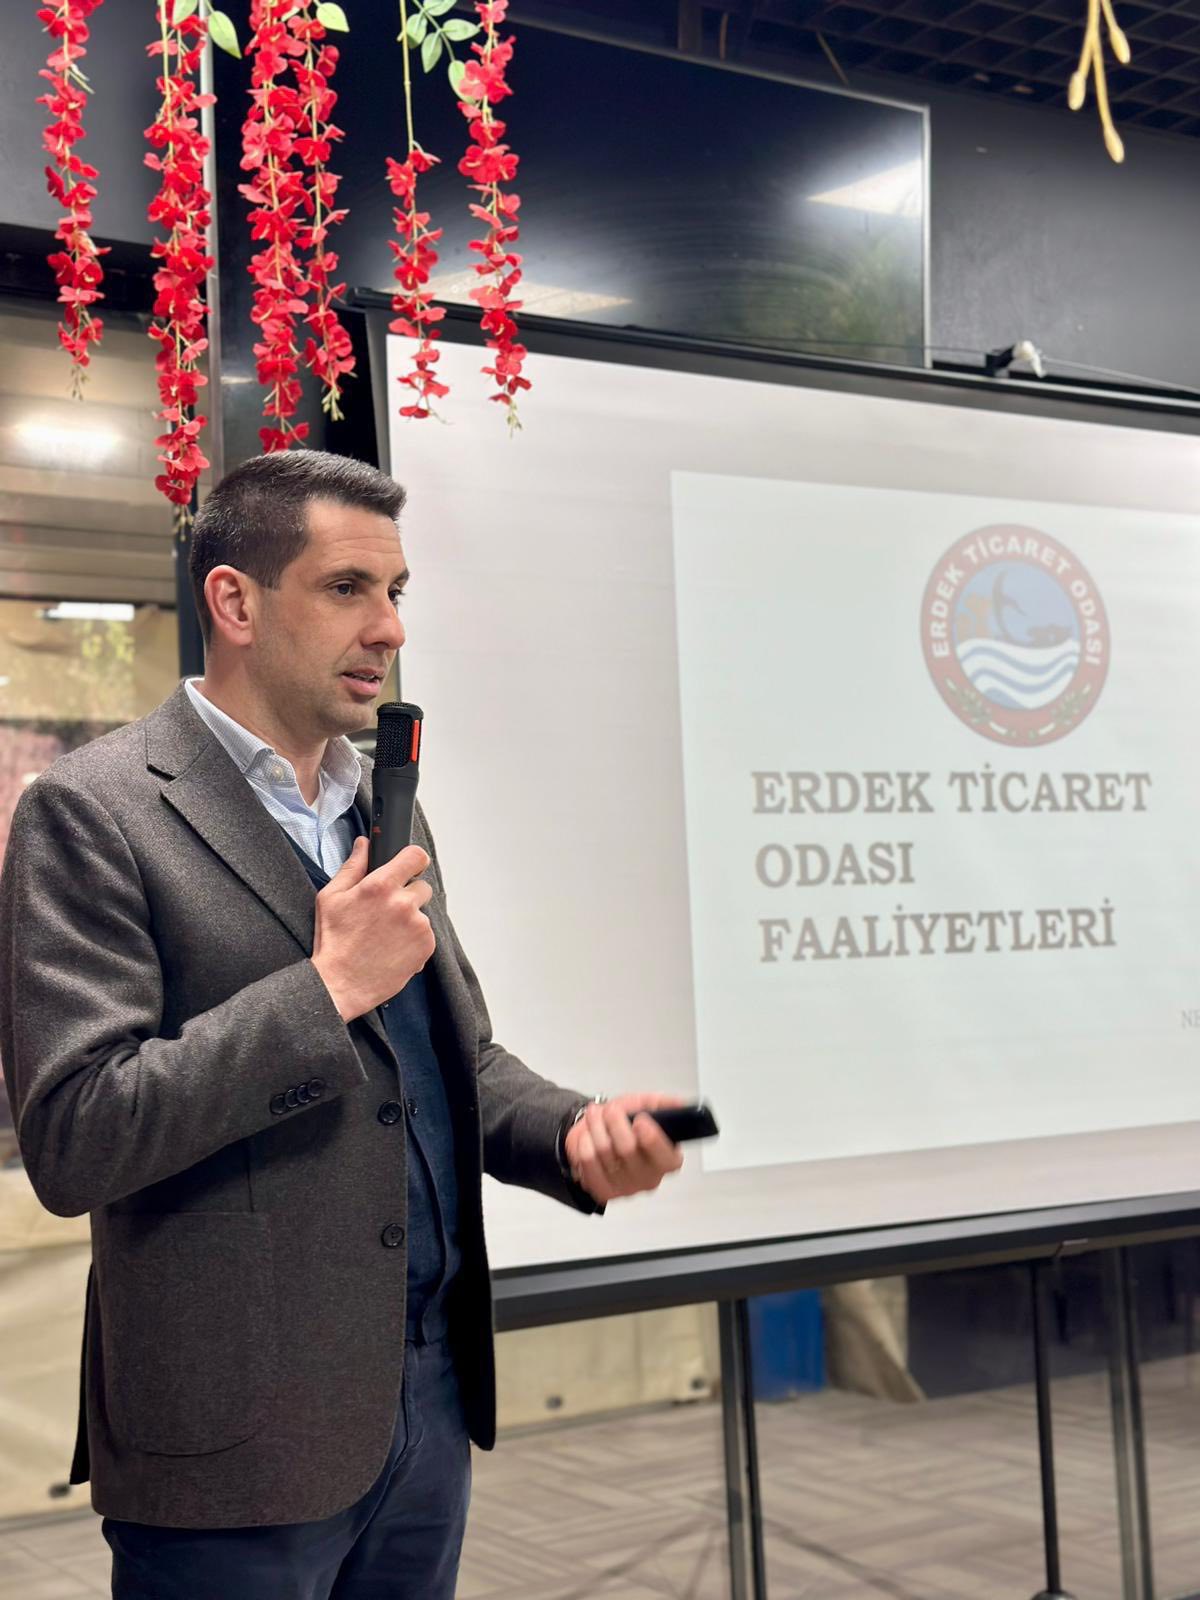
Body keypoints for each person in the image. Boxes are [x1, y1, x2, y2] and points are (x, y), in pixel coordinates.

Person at [0, 449, 684, 1600]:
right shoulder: (94, 812)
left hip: (422, 1399)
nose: (389, 628)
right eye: (347, 588)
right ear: (235, 601)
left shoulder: (381, 801)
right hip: (232, 1439)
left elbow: (451, 1059)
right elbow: (76, 1134)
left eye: (396, 591)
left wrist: (571, 1132)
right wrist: (321, 991)